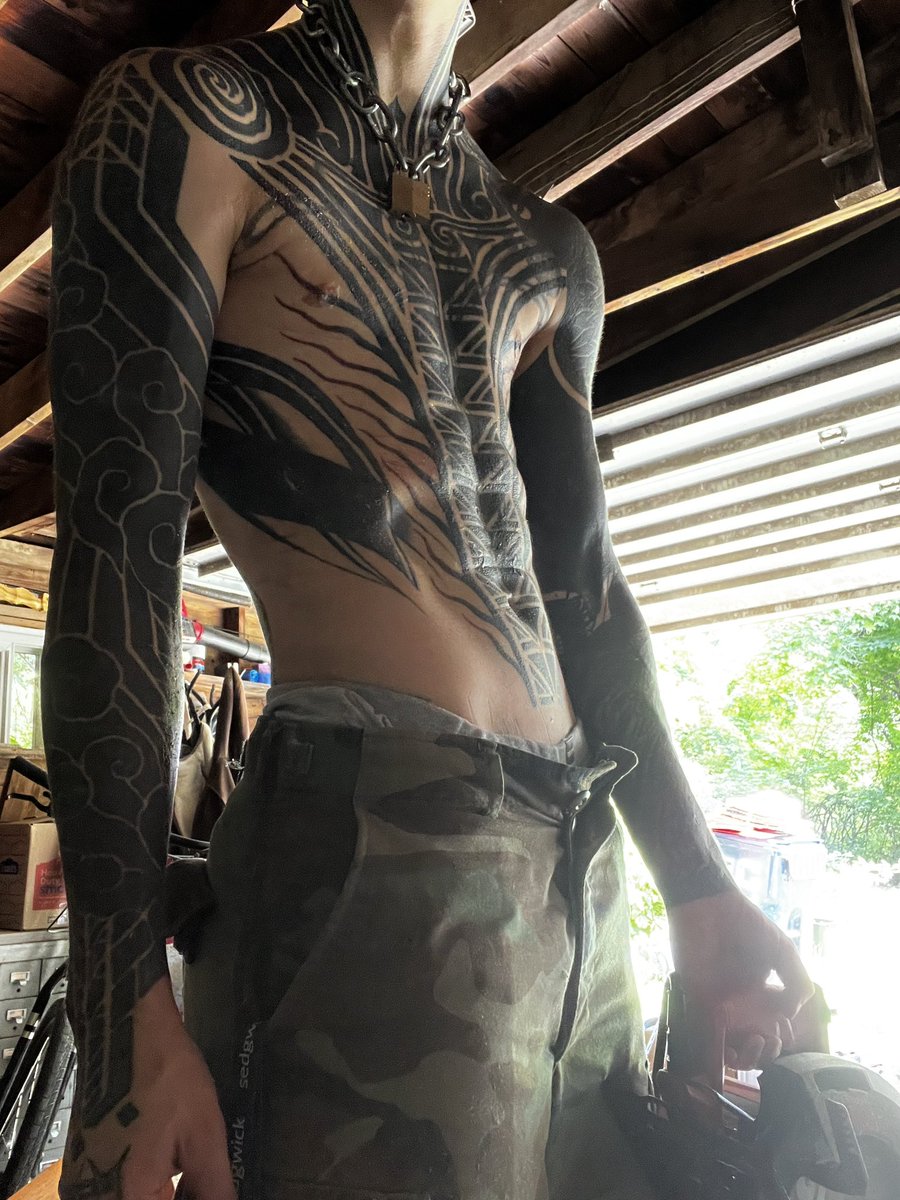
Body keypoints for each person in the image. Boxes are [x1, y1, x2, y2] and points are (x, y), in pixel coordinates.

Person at [41, 0, 815, 1197]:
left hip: (580, 854)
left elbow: (587, 589)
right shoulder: (191, 119)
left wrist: (700, 888)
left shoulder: (547, 247)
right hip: (370, 844)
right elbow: (114, 557)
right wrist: (119, 1012)